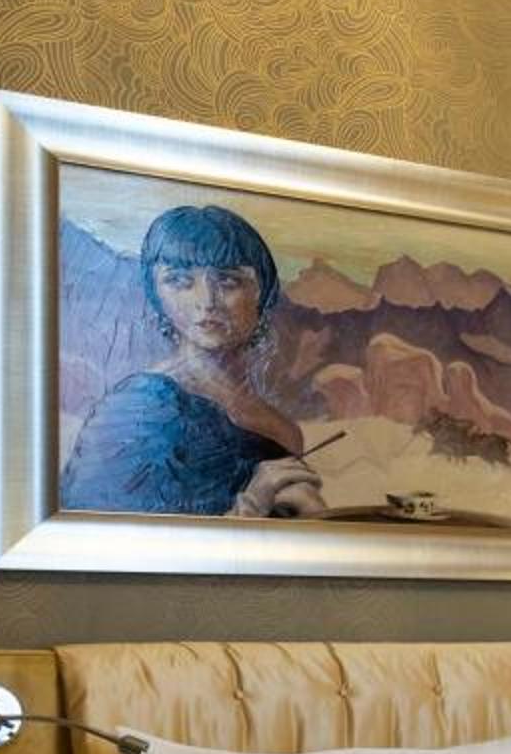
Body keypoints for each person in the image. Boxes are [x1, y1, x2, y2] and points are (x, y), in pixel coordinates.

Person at [59, 204, 325, 518]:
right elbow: (94, 533)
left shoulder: (284, 430)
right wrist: (252, 502)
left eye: (228, 281)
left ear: (262, 294)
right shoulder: (135, 409)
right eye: (180, 281)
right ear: (157, 296)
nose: (207, 301)